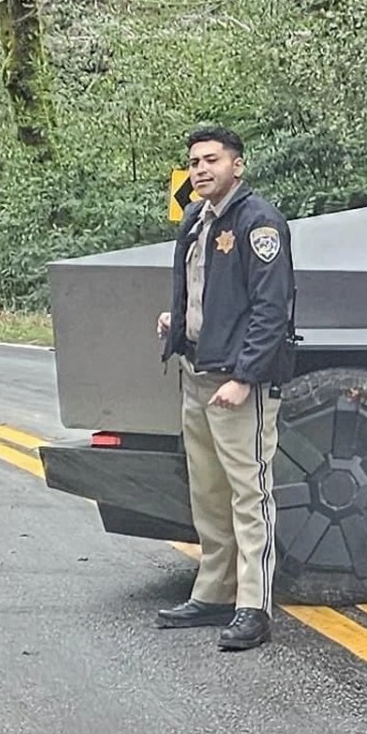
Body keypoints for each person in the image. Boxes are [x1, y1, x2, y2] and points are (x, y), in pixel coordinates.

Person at [154, 125, 296, 652]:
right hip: (197, 371)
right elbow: (209, 291)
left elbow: (269, 309)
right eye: (194, 162)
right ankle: (214, 591)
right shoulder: (197, 219)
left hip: (238, 382)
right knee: (208, 492)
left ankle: (252, 606)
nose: (201, 170)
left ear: (238, 165)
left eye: (212, 160)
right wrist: (181, 320)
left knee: (248, 492)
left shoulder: (258, 222)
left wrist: (245, 377)